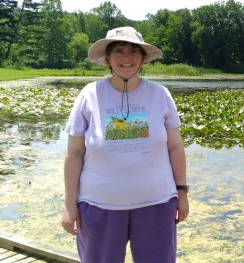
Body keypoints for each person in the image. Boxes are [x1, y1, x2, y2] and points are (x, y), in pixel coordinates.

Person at [61, 26, 189, 263]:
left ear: (143, 59)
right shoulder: (89, 95)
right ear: (108, 58)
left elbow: (175, 148)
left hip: (157, 204)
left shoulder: (160, 94)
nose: (126, 58)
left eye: (133, 51)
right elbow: (74, 153)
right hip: (99, 206)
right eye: (118, 51)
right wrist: (69, 206)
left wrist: (182, 193)